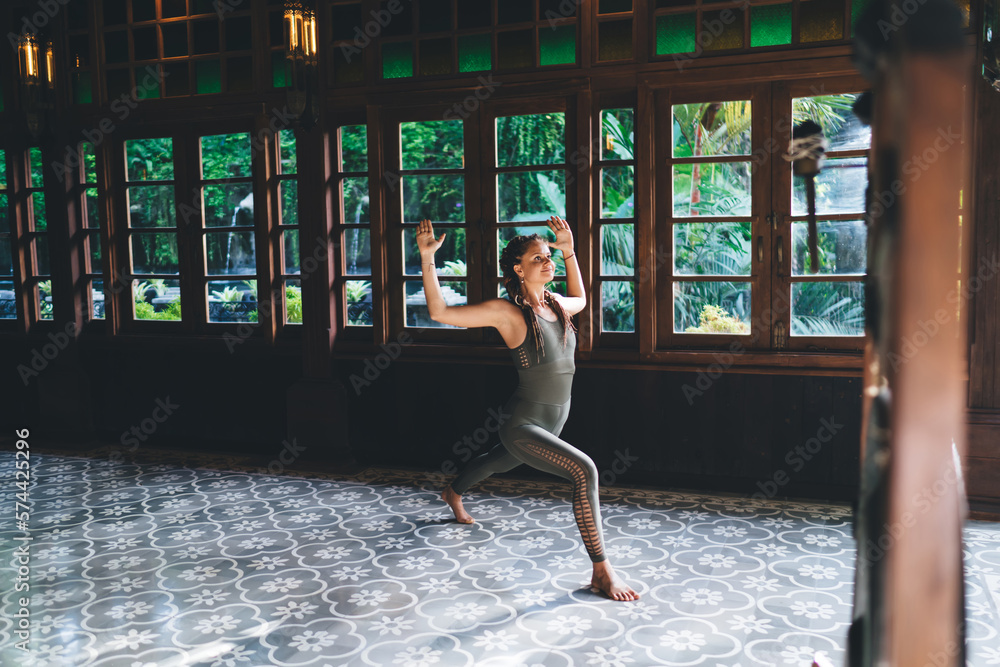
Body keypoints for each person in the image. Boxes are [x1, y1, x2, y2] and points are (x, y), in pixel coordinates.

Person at [416, 215, 640, 602]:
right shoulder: (507, 312)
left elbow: (583, 299)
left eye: (547, 254)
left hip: (555, 420)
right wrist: (427, 259)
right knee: (584, 471)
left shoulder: (556, 304)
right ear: (519, 269)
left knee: (498, 461)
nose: (547, 261)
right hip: (524, 423)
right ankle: (602, 572)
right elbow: (440, 313)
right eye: (538, 258)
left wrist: (569, 252)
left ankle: (452, 491)